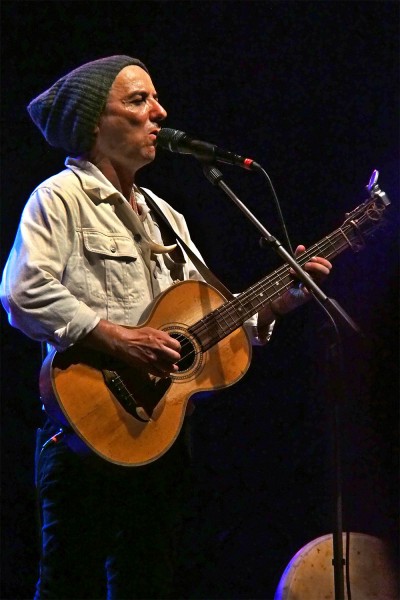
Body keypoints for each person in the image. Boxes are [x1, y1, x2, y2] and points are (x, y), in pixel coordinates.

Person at [0, 55, 332, 599]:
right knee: (68, 585)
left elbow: (213, 319)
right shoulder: (58, 199)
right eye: (138, 101)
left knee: (147, 584)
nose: (160, 112)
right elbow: (21, 292)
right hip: (85, 433)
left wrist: (278, 303)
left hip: (163, 437)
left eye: (154, 99)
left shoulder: (164, 215)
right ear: (93, 124)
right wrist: (119, 337)